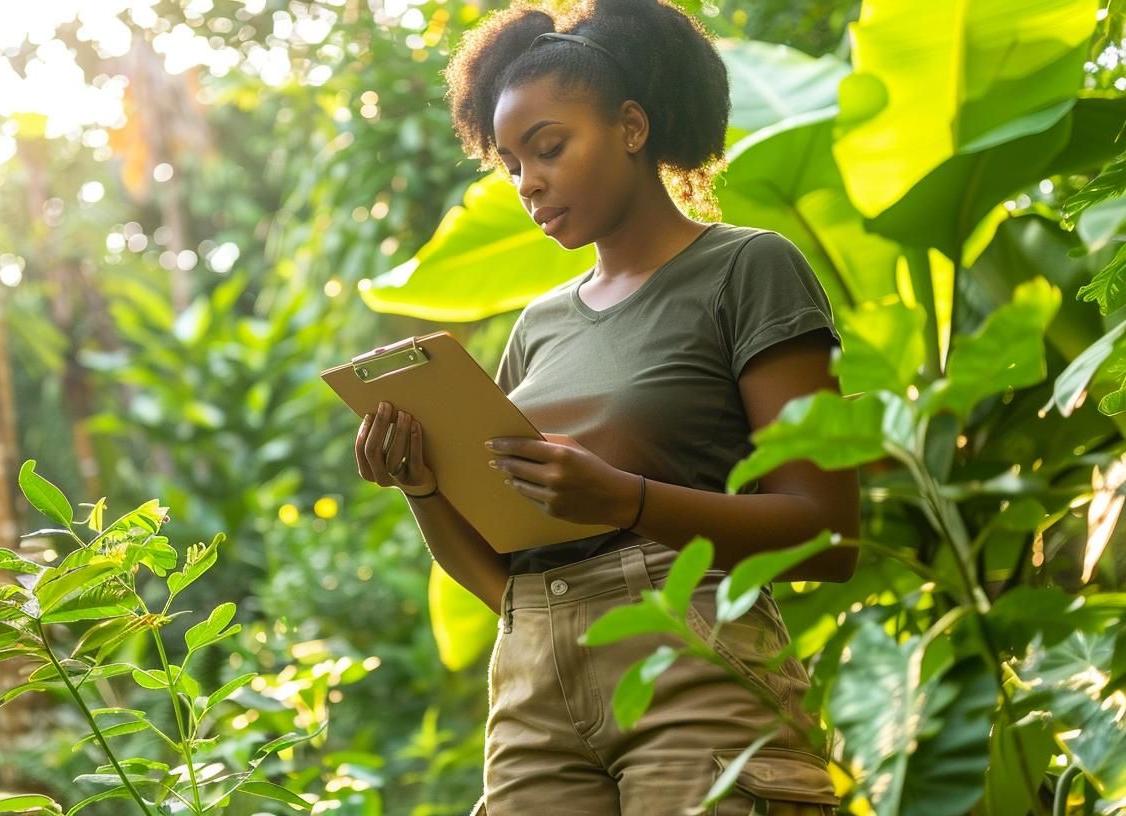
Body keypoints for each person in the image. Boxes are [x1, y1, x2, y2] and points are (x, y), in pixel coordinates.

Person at [354, 0, 861, 813]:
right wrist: (422, 488)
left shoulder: (748, 269)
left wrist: (624, 500)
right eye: (512, 164)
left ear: (631, 126)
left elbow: (829, 535)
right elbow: (504, 581)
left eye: (549, 148)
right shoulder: (538, 325)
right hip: (531, 684)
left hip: (693, 657)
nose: (529, 183)